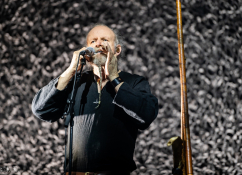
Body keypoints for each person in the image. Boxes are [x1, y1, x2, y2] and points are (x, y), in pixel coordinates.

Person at [32, 24, 158, 175]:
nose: (98, 44)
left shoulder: (134, 82)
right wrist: (71, 70)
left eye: (105, 40)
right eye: (93, 41)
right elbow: (41, 109)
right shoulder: (75, 83)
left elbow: (147, 114)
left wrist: (114, 78)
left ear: (117, 50)